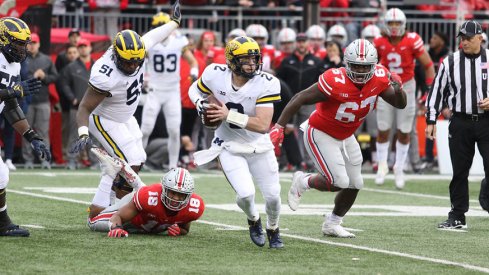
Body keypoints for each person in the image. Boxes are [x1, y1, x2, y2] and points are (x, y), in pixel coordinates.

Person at [270, 39, 407, 238]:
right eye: (356, 66)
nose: (360, 72)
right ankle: (303, 181)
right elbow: (300, 97)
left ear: (374, 65)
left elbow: (399, 104)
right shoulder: (334, 80)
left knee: (355, 184)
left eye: (365, 67)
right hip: (320, 131)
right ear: (346, 63)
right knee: (339, 181)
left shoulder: (379, 77)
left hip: (345, 134)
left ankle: (332, 223)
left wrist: (399, 89)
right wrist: (279, 126)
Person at [70, 1, 182, 216]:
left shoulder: (136, 50)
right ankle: (119, 210)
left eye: (136, 62)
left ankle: (105, 207)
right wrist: (83, 133)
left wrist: (174, 23)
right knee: (130, 162)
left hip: (125, 116)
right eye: (127, 63)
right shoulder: (105, 73)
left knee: (137, 159)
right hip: (104, 119)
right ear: (116, 56)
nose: (132, 66)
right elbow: (84, 107)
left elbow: (153, 36)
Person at [189, 36, 284, 248]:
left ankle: (273, 227)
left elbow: (262, 125)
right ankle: (253, 220)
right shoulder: (215, 74)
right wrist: (200, 104)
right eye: (246, 59)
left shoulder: (267, 83)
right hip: (228, 145)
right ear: (232, 61)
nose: (252, 64)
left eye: (254, 59)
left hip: (258, 146)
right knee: (246, 194)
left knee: (273, 197)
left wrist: (227, 114)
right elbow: (194, 90)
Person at [425, 20, 489, 230]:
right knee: (460, 171)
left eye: (469, 38)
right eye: (462, 38)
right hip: (460, 121)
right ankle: (458, 215)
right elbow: (436, 91)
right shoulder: (449, 61)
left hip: (487, 121)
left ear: (480, 38)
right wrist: (431, 119)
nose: (464, 42)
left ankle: (486, 193)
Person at [373, 8, 435, 189]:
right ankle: (382, 166)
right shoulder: (379, 42)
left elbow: (429, 65)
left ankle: (399, 168)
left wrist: (430, 88)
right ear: (385, 24)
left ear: (403, 24)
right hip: (385, 86)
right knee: (383, 128)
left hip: (406, 86)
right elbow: (370, 65)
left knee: (404, 130)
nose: (393, 27)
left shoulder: (412, 40)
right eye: (391, 23)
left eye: (397, 23)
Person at [0, 17, 50, 237]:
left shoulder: (15, 64)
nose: (23, 48)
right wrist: (14, 91)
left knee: (1, 175)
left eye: (24, 43)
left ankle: (2, 223)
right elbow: (11, 94)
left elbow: (10, 105)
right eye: (18, 42)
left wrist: (32, 136)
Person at [88, 147, 204, 237]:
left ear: (188, 196)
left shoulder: (193, 208)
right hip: (132, 216)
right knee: (92, 221)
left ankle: (127, 173)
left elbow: (184, 228)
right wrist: (116, 228)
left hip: (145, 208)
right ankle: (109, 174)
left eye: (181, 195)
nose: (176, 199)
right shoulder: (148, 198)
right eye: (172, 193)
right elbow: (117, 217)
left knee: (146, 194)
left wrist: (179, 231)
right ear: (164, 189)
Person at [140, 11, 199, 170]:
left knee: (174, 130)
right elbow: (138, 62)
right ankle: (137, 162)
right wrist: (142, 77)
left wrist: (194, 74)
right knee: (145, 129)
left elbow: (193, 62)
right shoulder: (149, 42)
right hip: (154, 90)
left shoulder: (178, 41)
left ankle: (173, 166)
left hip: (172, 91)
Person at [22, 33, 58, 169]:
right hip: (27, 100)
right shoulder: (22, 58)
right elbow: (19, 77)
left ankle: (44, 160)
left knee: (43, 132)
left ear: (39, 44)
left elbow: (55, 77)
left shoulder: (47, 60)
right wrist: (33, 76)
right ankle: (27, 160)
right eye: (30, 43)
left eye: (34, 43)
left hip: (43, 100)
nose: (32, 45)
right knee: (26, 131)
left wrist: (45, 77)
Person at [58, 38, 94, 170]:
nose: (83, 49)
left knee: (94, 137)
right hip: (77, 107)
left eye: (86, 46)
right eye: (81, 47)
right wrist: (72, 98)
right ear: (78, 49)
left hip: (94, 108)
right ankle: (72, 160)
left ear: (90, 48)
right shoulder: (70, 67)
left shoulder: (97, 66)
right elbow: (63, 84)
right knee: (74, 135)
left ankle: (94, 161)